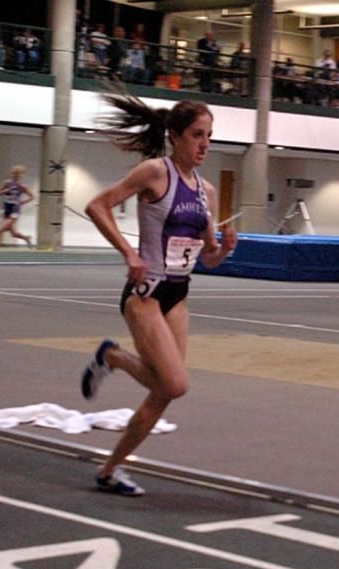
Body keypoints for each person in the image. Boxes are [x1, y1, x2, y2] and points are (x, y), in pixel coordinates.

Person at [81, 94, 238, 495]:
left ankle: (109, 470)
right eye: (197, 135)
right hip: (145, 295)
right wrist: (129, 253)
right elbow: (97, 206)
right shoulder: (154, 173)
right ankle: (111, 356)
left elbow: (210, 257)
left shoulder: (206, 191)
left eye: (210, 136)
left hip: (179, 296)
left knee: (164, 390)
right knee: (175, 384)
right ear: (175, 137)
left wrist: (224, 248)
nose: (205, 144)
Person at [0, 165, 34, 261]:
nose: (15, 175)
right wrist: (4, 191)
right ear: (12, 174)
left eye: (18, 174)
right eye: (14, 173)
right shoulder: (6, 183)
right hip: (6, 210)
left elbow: (32, 197)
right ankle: (26, 238)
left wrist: (22, 202)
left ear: (21, 175)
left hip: (15, 211)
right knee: (13, 234)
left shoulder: (22, 187)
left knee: (0, 231)